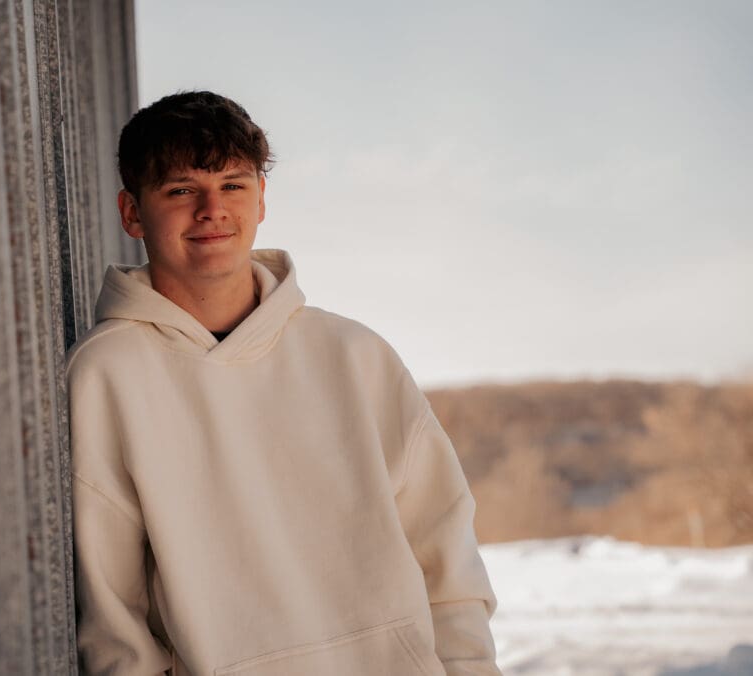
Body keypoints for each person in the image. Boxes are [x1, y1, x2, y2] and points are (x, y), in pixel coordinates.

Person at [67, 90, 500, 675]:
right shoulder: (104, 375)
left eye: (233, 185)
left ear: (261, 199)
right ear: (132, 212)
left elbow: (443, 548)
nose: (212, 209)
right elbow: (113, 615)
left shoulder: (354, 354)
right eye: (181, 190)